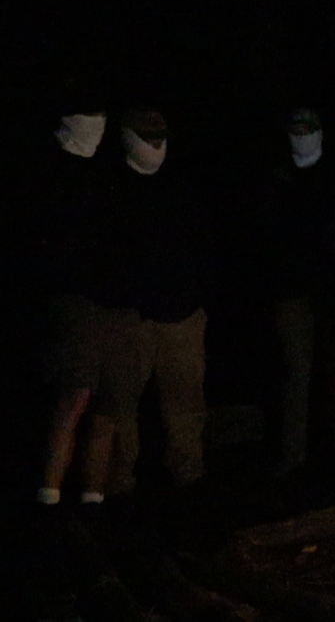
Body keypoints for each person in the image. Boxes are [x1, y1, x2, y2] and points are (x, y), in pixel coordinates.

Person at [81, 107, 212, 497]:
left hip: (181, 315)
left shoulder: (182, 185)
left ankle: (189, 478)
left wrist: (197, 296)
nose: (156, 143)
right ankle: (119, 485)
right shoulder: (110, 188)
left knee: (185, 405)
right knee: (120, 409)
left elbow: (204, 245)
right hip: (130, 318)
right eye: (147, 136)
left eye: (160, 135)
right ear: (126, 136)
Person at [247, 108, 335, 477]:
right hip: (290, 293)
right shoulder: (275, 178)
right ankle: (292, 459)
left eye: (309, 128)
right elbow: (265, 237)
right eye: (296, 128)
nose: (302, 134)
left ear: (320, 132)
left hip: (334, 293)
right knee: (295, 376)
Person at [32, 103, 115, 507]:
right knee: (76, 394)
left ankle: (93, 495)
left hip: (108, 300)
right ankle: (49, 492)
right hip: (75, 298)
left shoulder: (101, 172)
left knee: (106, 400)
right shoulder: (52, 173)